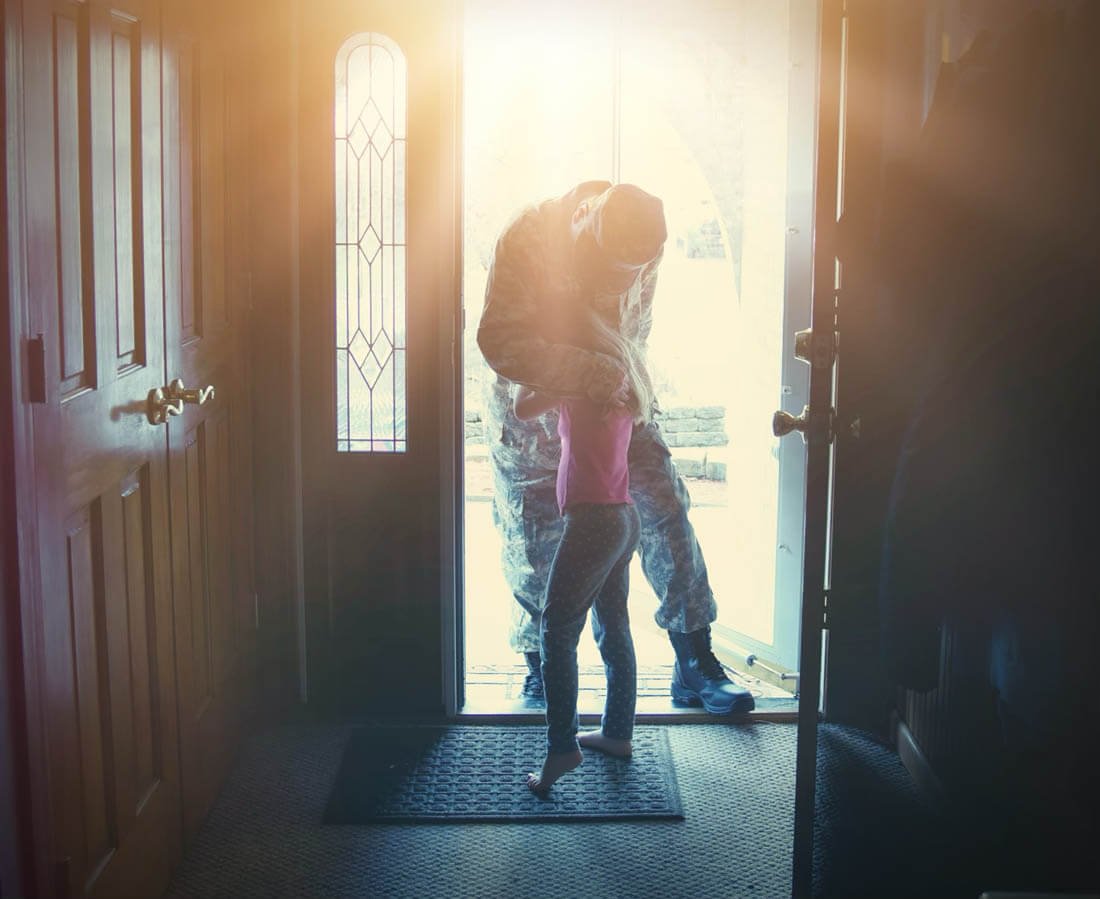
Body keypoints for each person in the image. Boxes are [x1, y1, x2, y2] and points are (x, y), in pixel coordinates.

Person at [477, 180, 754, 715]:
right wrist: (587, 372)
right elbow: (500, 339)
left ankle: (693, 657)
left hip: (613, 397)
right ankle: (540, 665)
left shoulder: (646, 240)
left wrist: (622, 386)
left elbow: (635, 328)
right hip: (531, 398)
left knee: (666, 510)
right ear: (582, 218)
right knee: (536, 534)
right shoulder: (530, 233)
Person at [514, 314, 645, 793]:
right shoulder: (622, 376)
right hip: (622, 517)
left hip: (593, 521)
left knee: (556, 630)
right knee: (613, 625)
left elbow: (524, 406)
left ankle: (562, 748)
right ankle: (617, 733)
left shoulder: (578, 375)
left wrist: (533, 356)